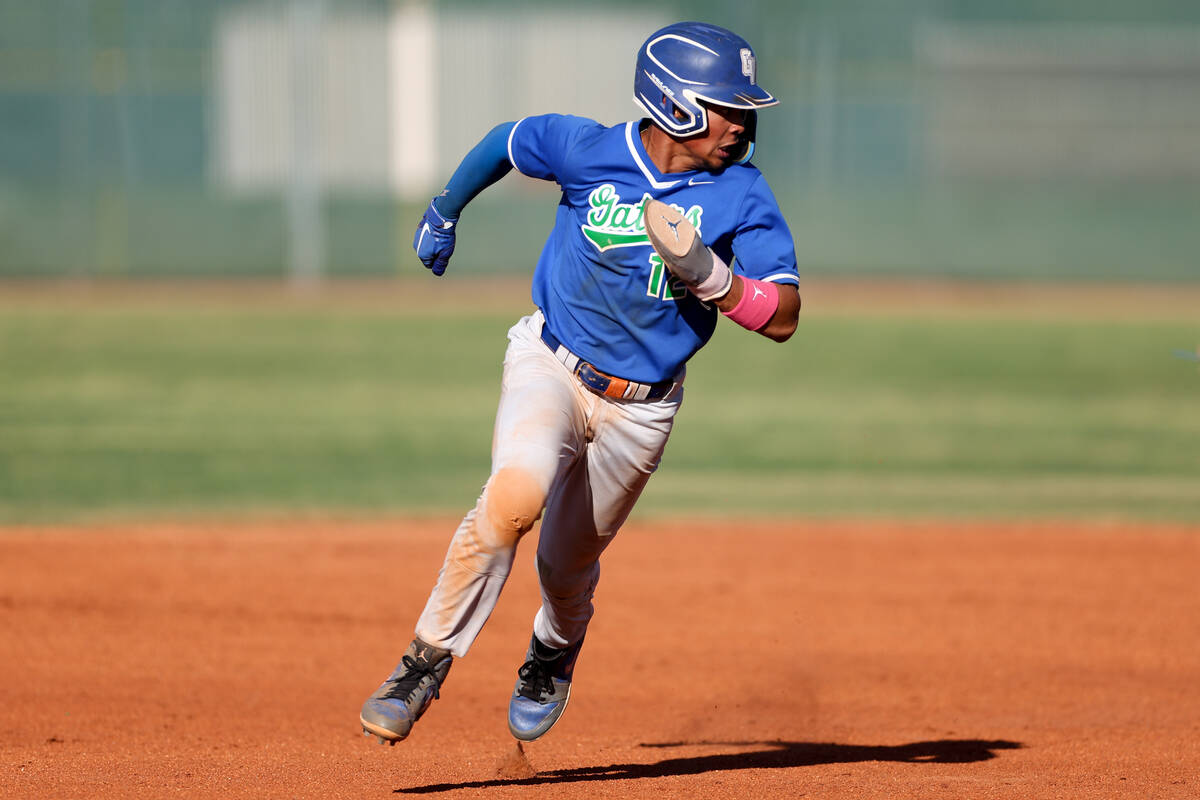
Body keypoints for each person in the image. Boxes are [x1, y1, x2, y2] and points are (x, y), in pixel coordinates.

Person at [360, 20, 801, 746]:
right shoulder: (590, 149)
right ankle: (424, 661)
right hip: (551, 365)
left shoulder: (743, 196)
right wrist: (446, 207)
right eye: (727, 106)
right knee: (513, 497)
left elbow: (783, 316)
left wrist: (712, 278)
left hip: (641, 412)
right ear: (677, 103)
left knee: (566, 569)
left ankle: (554, 649)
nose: (741, 122)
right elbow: (507, 141)